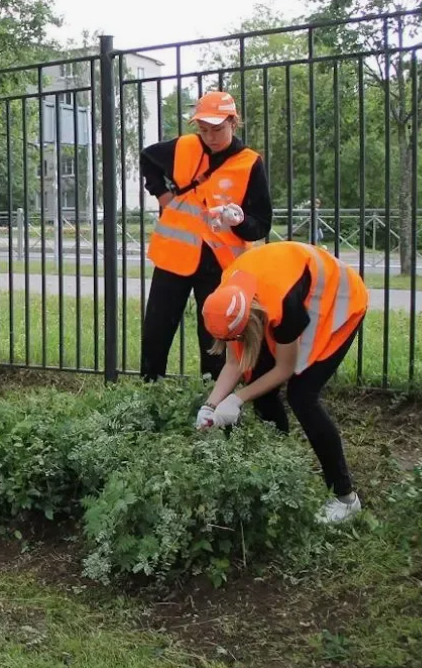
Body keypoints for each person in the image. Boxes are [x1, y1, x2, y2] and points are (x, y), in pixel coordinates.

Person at [197, 241, 368, 524]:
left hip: (339, 301)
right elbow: (233, 362)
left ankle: (346, 498)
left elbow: (284, 369)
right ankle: (278, 469)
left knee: (302, 396)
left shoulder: (281, 304)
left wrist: (237, 399)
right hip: (298, 293)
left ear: (250, 320)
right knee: (258, 383)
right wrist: (210, 405)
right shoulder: (227, 297)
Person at [140, 90, 273, 382]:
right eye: (203, 129)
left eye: (217, 129)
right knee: (156, 331)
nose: (209, 137)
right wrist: (162, 195)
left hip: (219, 265)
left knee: (213, 336)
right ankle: (149, 392)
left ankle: (209, 400)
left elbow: (261, 223)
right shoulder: (186, 146)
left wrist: (237, 221)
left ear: (233, 123)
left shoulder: (250, 163)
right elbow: (147, 157)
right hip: (173, 257)